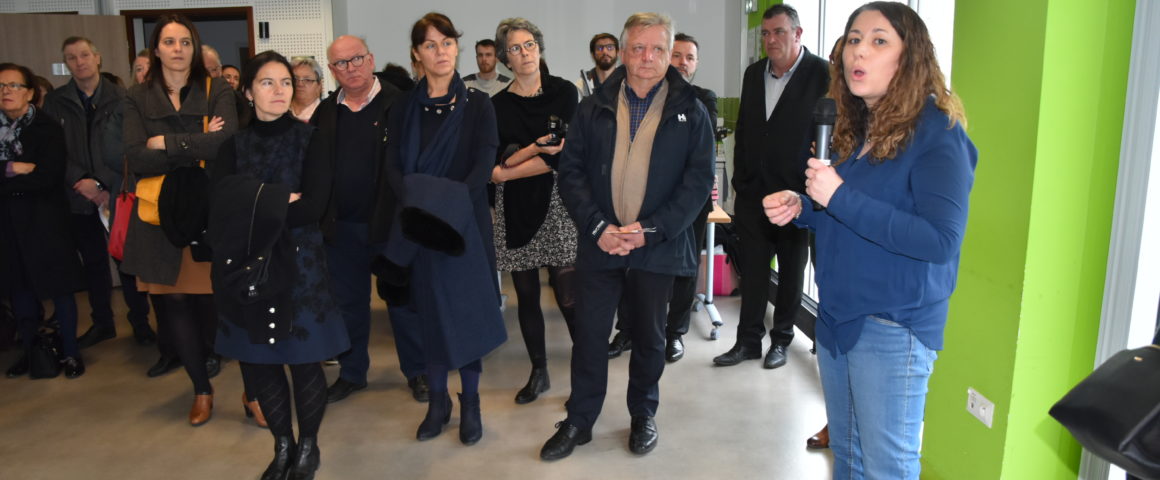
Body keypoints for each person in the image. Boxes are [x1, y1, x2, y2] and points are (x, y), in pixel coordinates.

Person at [762, 3, 976, 477]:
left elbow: (940, 239)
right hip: (838, 317)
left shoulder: (938, 134)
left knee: (885, 468)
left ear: (910, 57)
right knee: (848, 456)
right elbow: (845, 212)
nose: (859, 51)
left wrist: (837, 196)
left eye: (879, 40)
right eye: (854, 39)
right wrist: (803, 206)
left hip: (892, 325)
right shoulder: (855, 129)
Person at [542, 12, 713, 460]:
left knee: (650, 337)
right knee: (590, 336)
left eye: (657, 49)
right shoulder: (592, 106)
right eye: (638, 48)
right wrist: (598, 227)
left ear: (670, 54)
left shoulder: (691, 110)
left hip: (655, 246)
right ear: (622, 52)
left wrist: (650, 230)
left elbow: (697, 183)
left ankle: (643, 414)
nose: (647, 57)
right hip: (600, 243)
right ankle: (580, 420)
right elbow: (571, 172)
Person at [208, 50, 347, 480]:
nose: (280, 90)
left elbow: (313, 207)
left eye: (286, 82)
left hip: (302, 267)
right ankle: (282, 444)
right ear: (248, 92)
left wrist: (254, 202)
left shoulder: (313, 139)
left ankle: (308, 445)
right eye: (267, 82)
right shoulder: (232, 147)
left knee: (304, 361)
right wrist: (278, 199)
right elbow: (221, 208)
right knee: (260, 361)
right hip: (249, 267)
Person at [375, 12, 506, 445]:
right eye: (430, 45)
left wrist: (440, 204)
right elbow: (393, 166)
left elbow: (483, 165)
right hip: (418, 229)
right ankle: (437, 402)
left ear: (457, 47)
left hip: (462, 227)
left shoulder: (478, 105)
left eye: (447, 42)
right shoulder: (402, 107)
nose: (441, 52)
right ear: (417, 54)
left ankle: (470, 402)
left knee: (466, 317)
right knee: (427, 317)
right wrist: (420, 204)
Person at [122, 14, 237, 425]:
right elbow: (135, 155)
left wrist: (165, 143)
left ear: (194, 46)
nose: (177, 50)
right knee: (174, 302)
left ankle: (253, 390)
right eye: (169, 42)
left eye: (185, 42)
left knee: (219, 301)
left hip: (208, 210)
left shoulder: (216, 88)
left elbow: (225, 143)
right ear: (156, 49)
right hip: (160, 216)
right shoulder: (136, 96)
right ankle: (201, 389)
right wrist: (197, 143)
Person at [310, 35, 426, 404]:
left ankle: (418, 372)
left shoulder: (400, 103)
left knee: (402, 303)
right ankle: (352, 373)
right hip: (342, 229)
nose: (351, 68)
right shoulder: (325, 112)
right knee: (348, 306)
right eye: (341, 63)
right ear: (332, 71)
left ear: (371, 59)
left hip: (390, 226)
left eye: (356, 59)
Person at [714, 4, 829, 370]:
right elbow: (746, 128)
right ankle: (748, 341)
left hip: (796, 198)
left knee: (792, 272)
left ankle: (781, 340)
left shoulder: (821, 74)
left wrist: (811, 192)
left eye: (779, 32)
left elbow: (829, 136)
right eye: (766, 33)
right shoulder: (754, 74)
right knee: (753, 271)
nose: (771, 40)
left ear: (798, 34)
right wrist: (740, 180)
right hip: (753, 194)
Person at [607, 31, 718, 363]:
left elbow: (698, 154)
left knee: (684, 269)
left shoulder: (700, 100)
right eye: (677, 55)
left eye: (690, 57)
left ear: (696, 64)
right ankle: (627, 329)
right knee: (630, 264)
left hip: (688, 204)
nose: (683, 62)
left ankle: (675, 333)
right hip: (644, 200)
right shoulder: (641, 96)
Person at [44, 36, 159, 351]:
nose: (79, 62)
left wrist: (103, 184)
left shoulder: (123, 98)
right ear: (66, 64)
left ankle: (140, 323)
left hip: (116, 193)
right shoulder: (55, 102)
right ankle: (103, 323)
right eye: (71, 57)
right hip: (78, 196)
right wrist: (82, 180)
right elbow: (53, 150)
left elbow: (129, 148)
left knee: (127, 263)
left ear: (98, 58)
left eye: (84, 55)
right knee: (93, 264)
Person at [489, 17, 580, 406]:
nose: (524, 53)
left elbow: (565, 155)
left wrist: (509, 170)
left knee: (568, 293)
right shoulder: (496, 105)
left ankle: (586, 368)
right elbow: (492, 164)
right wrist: (533, 151)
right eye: (515, 48)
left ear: (539, 48)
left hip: (559, 202)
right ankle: (539, 370)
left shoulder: (565, 92)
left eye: (529, 45)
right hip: (515, 208)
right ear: (504, 58)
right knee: (525, 295)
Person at [0, 63, 87, 379]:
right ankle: (31, 351)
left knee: (60, 289)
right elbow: (29, 174)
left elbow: (48, 176)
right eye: (1, 86)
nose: (6, 92)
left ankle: (71, 353)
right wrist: (13, 168)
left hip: (44, 221)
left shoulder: (46, 127)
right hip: (8, 224)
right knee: (20, 291)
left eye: (14, 86)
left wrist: (7, 177)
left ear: (30, 93)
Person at [575, 33, 618, 98]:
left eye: (610, 47)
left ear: (617, 52)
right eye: (599, 48)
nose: (605, 52)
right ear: (593, 54)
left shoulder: (626, 82)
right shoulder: (581, 85)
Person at [289, 56, 323, 122]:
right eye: (295, 79)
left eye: (307, 80)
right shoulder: (278, 113)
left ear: (319, 86)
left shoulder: (329, 114)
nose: (300, 84)